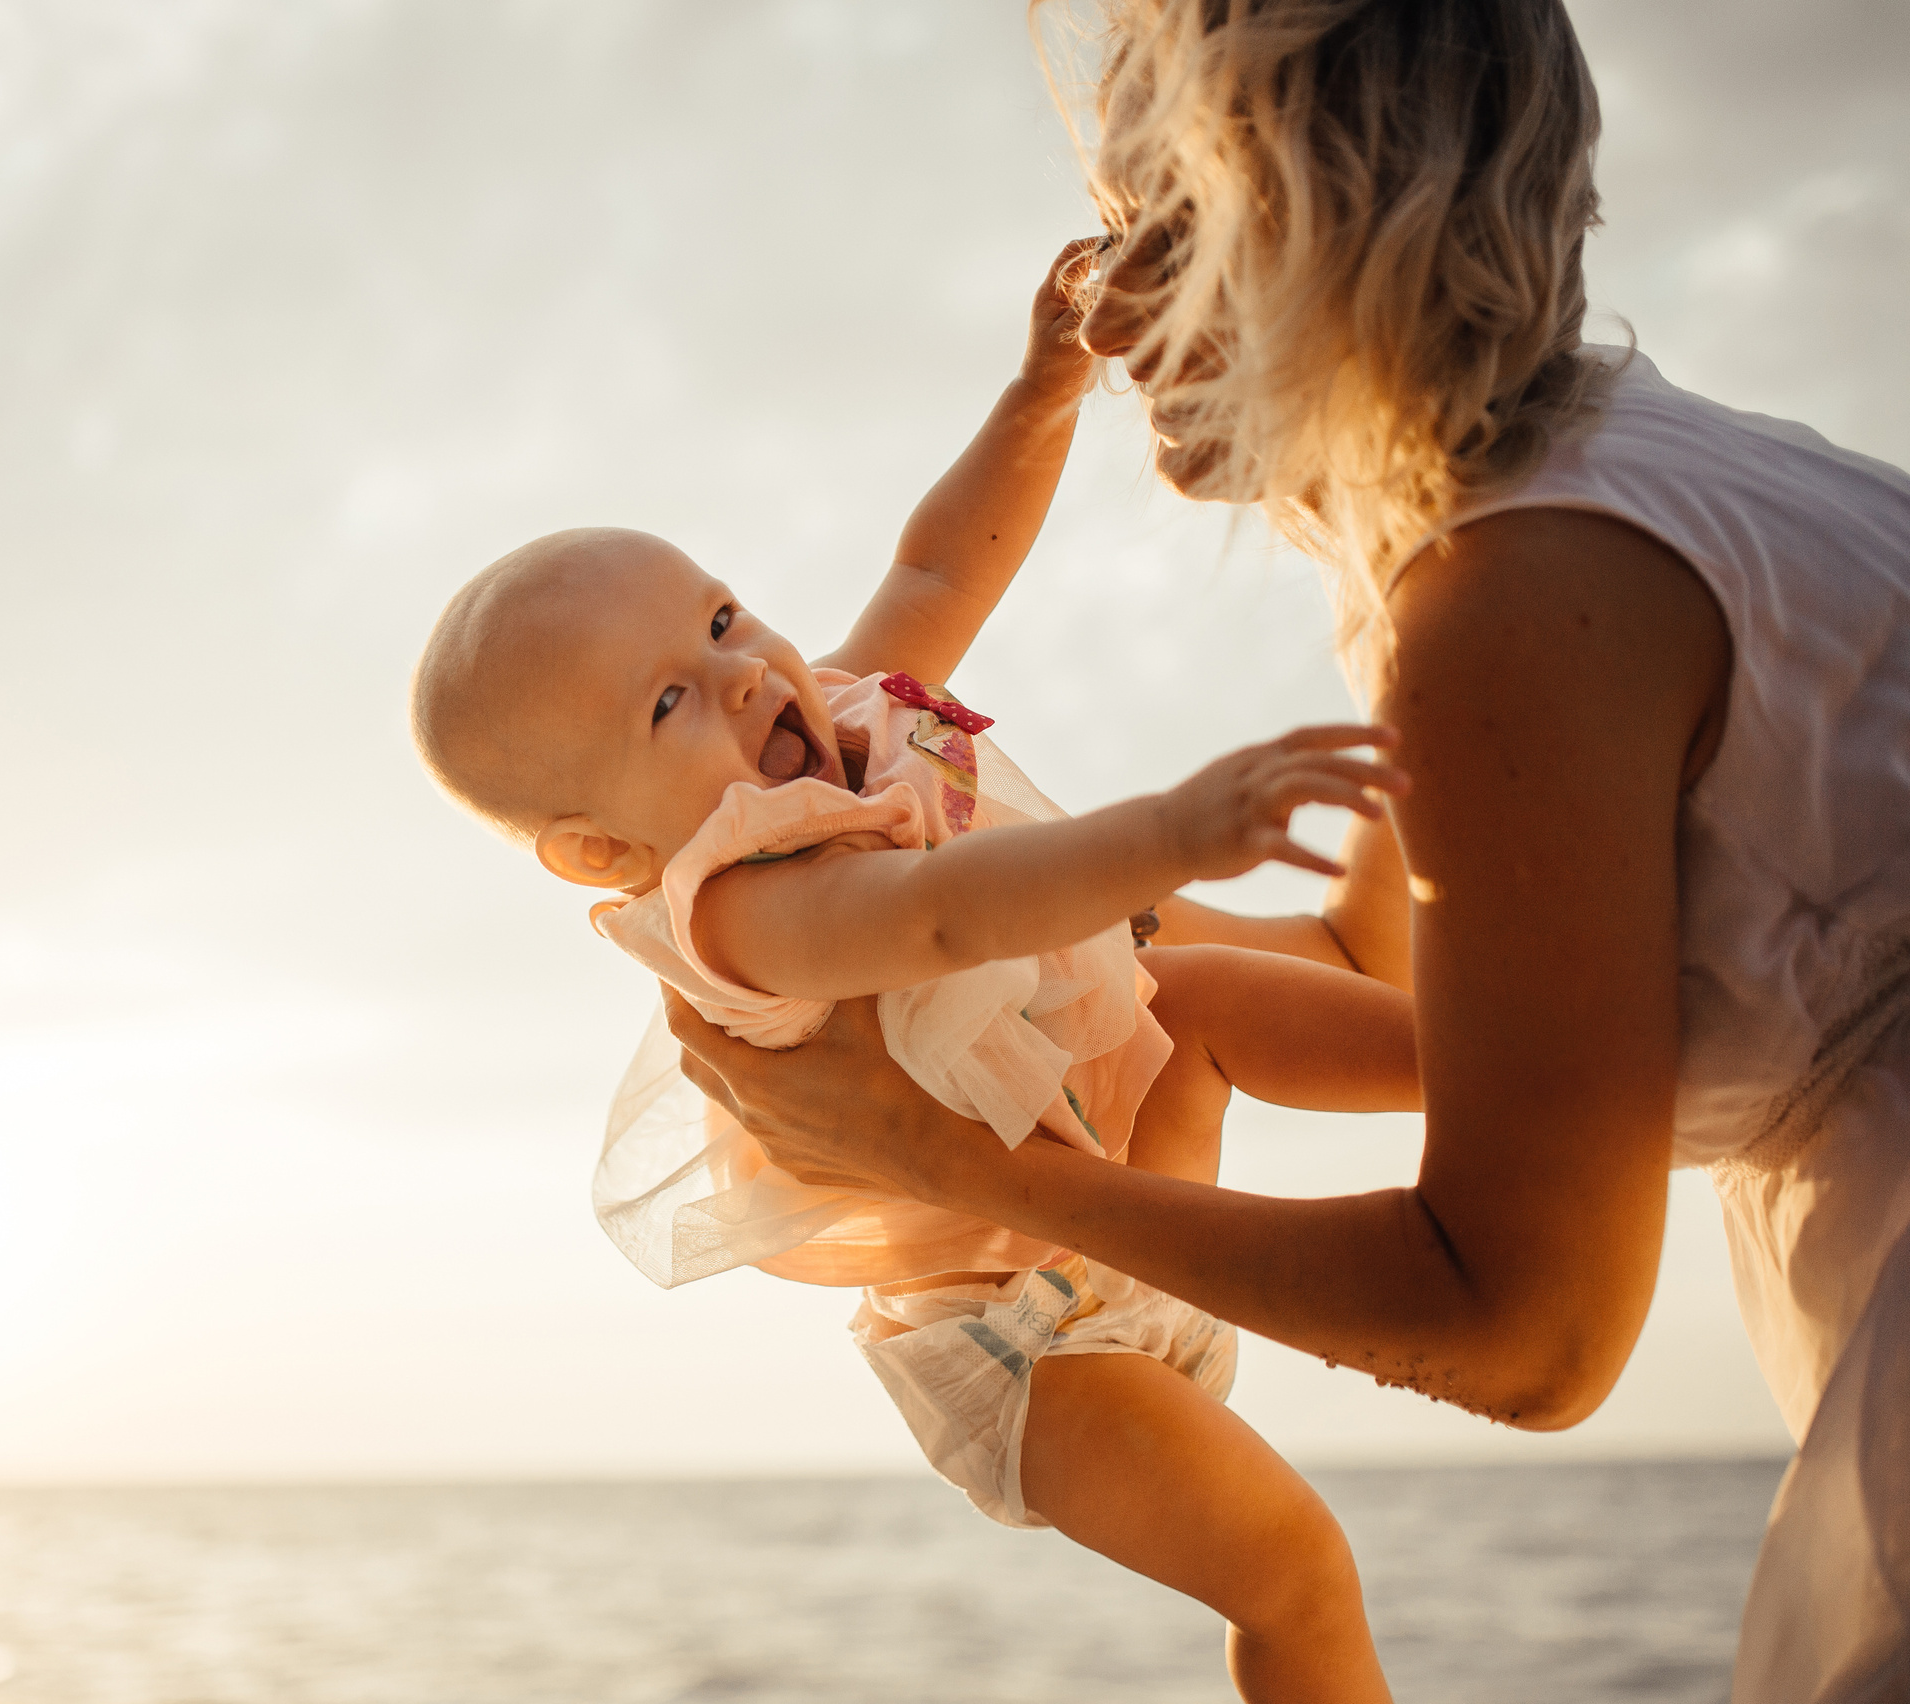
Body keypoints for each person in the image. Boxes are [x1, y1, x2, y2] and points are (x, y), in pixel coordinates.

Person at [663, 3, 1910, 1700]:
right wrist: (1107, 945)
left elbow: (1525, 1332)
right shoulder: (1571, 501)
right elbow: (1367, 975)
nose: (1108, 299)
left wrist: (952, 1162)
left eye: (1162, 230)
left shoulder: (1519, 596)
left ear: (1327, 228)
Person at [411, 246, 1424, 1702]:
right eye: (669, 702)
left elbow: (939, 567)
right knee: (1297, 1576)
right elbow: (944, 916)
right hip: (1031, 1353)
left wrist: (1041, 391)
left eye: (718, 620)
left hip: (1125, 1188)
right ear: (597, 853)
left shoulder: (844, 710)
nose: (749, 674)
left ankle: (1538, 1080)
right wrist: (1172, 836)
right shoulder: (740, 916)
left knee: (1202, 1010)